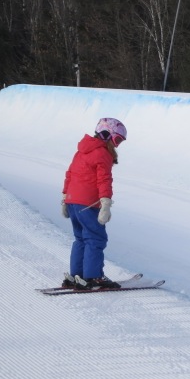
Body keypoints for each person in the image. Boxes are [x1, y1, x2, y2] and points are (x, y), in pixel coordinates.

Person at [60, 117, 127, 290]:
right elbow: (104, 179)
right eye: (117, 139)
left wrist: (65, 198)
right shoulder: (102, 152)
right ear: (106, 135)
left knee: (81, 238)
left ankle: (77, 275)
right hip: (88, 204)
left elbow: (70, 174)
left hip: (73, 202)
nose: (117, 145)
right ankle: (93, 277)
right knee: (95, 238)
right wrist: (105, 203)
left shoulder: (82, 151)